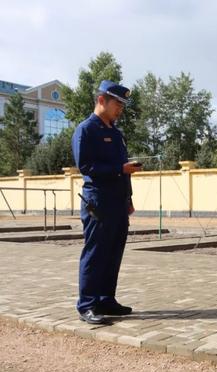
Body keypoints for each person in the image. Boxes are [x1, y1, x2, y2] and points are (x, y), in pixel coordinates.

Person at [71, 80, 142, 324]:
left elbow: (124, 170)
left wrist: (129, 198)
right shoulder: (86, 129)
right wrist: (119, 169)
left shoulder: (115, 132)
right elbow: (86, 166)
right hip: (98, 202)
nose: (120, 109)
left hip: (118, 201)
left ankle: (106, 299)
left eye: (122, 105)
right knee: (96, 252)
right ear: (102, 100)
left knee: (113, 252)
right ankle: (87, 304)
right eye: (117, 104)